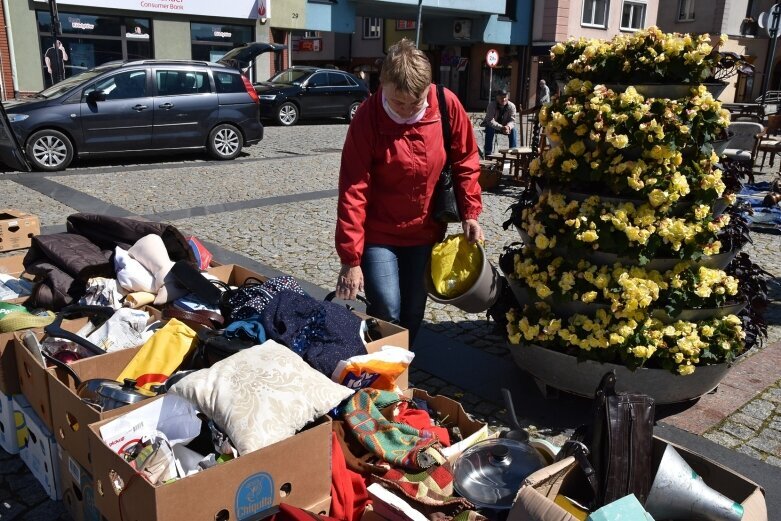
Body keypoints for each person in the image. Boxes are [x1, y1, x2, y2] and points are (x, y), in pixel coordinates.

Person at [334, 38, 483, 344]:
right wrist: (351, 259)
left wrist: (470, 213)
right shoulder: (369, 115)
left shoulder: (445, 105)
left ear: (427, 89)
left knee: (414, 311)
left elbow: (466, 159)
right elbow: (353, 187)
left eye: (413, 102)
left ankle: (399, 367)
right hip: (379, 234)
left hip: (425, 232)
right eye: (396, 101)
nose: (403, 109)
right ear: (382, 85)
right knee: (387, 308)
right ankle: (383, 367)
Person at [482, 88, 517, 157]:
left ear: (508, 97)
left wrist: (508, 127)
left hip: (505, 126)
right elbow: (490, 120)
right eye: (501, 98)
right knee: (489, 128)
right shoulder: (491, 105)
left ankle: (513, 152)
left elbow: (512, 120)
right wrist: (501, 127)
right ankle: (488, 153)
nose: (503, 100)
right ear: (497, 98)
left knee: (513, 130)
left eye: (505, 98)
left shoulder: (512, 106)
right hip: (493, 126)